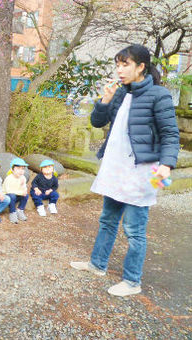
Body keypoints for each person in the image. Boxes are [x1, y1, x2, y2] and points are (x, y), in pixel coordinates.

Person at [70, 44, 180, 297]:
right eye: (117, 65)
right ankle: (97, 265)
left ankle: (132, 281)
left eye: (125, 65)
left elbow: (170, 134)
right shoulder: (119, 93)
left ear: (141, 67)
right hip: (116, 167)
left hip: (141, 172)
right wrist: (104, 100)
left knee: (134, 229)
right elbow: (98, 122)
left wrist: (166, 164)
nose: (119, 70)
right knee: (107, 220)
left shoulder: (159, 95)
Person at [3, 158, 29, 223]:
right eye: (18, 168)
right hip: (7, 196)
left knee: (26, 196)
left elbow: (24, 188)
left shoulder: (23, 177)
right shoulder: (9, 178)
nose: (20, 171)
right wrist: (21, 192)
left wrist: (24, 189)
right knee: (12, 196)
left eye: (22, 169)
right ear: (12, 169)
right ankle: (12, 212)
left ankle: (20, 210)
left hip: (17, 195)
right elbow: (9, 191)